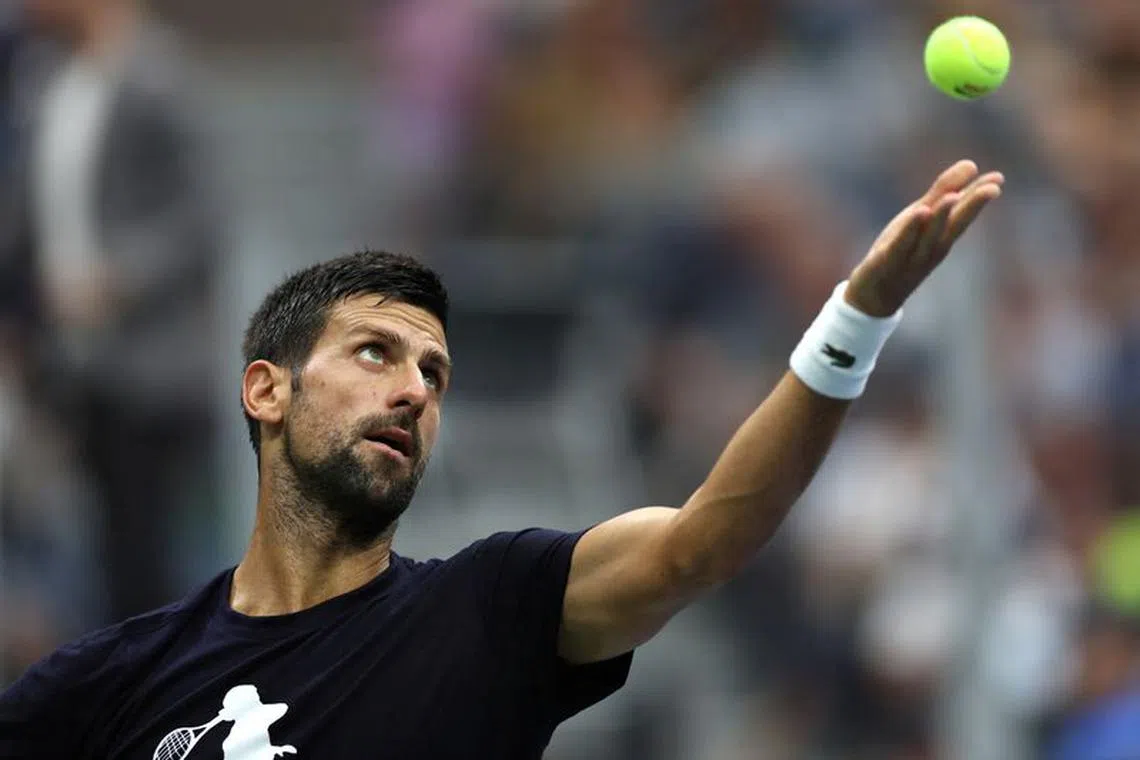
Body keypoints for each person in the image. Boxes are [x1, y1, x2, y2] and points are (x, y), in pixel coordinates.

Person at [0, 160, 1001, 758]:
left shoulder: (489, 608)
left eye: (433, 373)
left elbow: (703, 541)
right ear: (267, 390)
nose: (414, 390)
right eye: (374, 354)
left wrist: (856, 318)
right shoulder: (112, 680)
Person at [8, 0, 222, 621]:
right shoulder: (45, 80)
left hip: (154, 370)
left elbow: (200, 219)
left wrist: (118, 280)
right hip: (68, 365)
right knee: (92, 560)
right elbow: (28, 216)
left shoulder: (162, 78)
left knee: (158, 561)